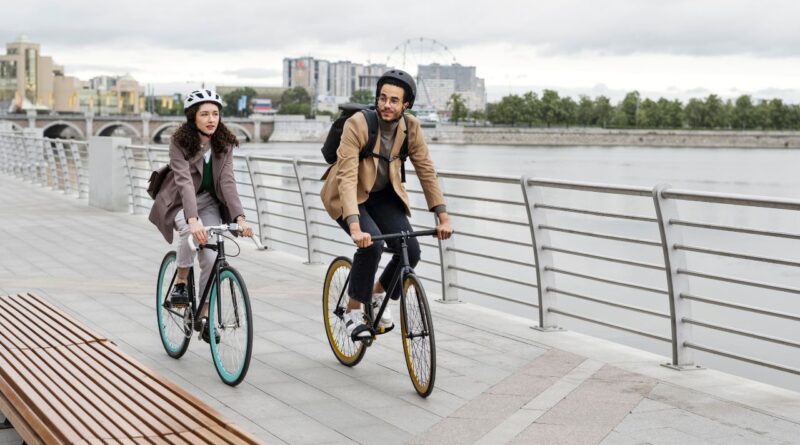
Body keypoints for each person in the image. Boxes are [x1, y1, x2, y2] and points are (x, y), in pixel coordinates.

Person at [320, 69, 453, 340]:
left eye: (394, 100)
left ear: (406, 105)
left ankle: (378, 292)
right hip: (348, 194)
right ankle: (352, 310)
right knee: (374, 244)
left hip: (382, 194)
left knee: (411, 250)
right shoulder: (357, 124)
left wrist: (442, 215)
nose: (386, 105)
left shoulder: (411, 127)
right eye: (382, 98)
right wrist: (355, 227)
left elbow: (426, 170)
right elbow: (346, 177)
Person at [148, 88, 253, 342]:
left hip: (209, 202)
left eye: (215, 113)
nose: (211, 119)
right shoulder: (179, 143)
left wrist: (240, 217)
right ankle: (182, 282)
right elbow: (184, 182)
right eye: (204, 114)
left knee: (211, 253)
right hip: (179, 201)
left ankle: (203, 315)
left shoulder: (224, 143)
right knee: (189, 231)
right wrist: (193, 221)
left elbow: (227, 182)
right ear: (193, 117)